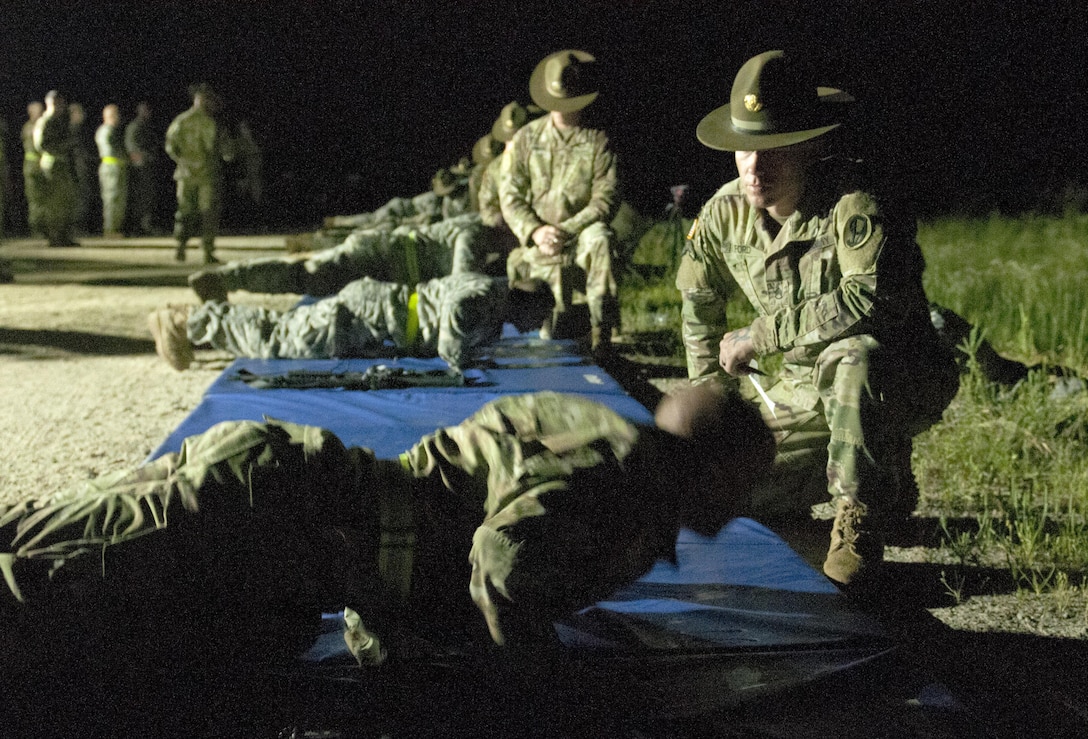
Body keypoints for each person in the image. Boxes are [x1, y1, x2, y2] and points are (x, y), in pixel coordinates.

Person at [0, 385, 774, 671]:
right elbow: (502, 561)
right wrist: (535, 688)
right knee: (38, 593)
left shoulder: (607, 436)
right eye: (740, 484)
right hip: (268, 519)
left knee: (43, 554)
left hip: (281, 507)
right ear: (708, 469)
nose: (740, 505)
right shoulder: (624, 487)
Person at [675, 50, 960, 587]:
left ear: (813, 144)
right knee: (719, 495)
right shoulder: (724, 212)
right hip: (804, 388)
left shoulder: (857, 206)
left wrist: (763, 334)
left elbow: (870, 301)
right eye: (744, 150)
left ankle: (861, 512)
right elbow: (698, 300)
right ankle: (878, 475)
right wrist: (712, 410)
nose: (754, 168)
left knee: (853, 355)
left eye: (774, 150)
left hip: (897, 375)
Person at [148, 272, 555, 372]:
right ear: (524, 301)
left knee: (283, 331)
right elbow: (456, 320)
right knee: (279, 340)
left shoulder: (493, 292)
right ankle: (187, 321)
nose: (528, 327)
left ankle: (197, 319)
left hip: (374, 314)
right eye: (532, 319)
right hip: (365, 317)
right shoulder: (486, 295)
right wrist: (460, 359)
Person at [500, 49, 620, 352]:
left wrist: (566, 230)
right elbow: (510, 194)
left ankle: (600, 336)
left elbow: (605, 198)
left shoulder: (598, 139)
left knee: (601, 240)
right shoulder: (526, 139)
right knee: (546, 334)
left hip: (579, 234)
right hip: (538, 237)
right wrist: (537, 231)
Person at [186, 212, 507, 303]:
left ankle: (227, 278)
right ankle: (225, 278)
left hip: (383, 258)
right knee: (307, 277)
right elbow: (461, 286)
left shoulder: (477, 230)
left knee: (308, 276)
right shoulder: (475, 233)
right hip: (380, 258)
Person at [165, 82, 234, 263]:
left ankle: (181, 248)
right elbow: (226, 151)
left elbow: (170, 147)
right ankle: (207, 251)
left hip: (186, 174)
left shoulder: (181, 120)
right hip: (207, 175)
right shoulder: (212, 123)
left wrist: (183, 161)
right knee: (208, 213)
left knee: (185, 212)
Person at [32, 90, 79, 247]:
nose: (61, 106)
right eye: (58, 103)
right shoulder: (45, 121)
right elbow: (42, 145)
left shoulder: (59, 121)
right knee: (55, 203)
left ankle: (64, 236)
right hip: (52, 164)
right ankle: (55, 237)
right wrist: (65, 145)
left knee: (65, 201)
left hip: (62, 164)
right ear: (51, 103)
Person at [124, 101, 158, 234]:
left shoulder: (146, 127)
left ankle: (145, 225)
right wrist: (144, 156)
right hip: (139, 168)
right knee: (140, 197)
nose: (148, 114)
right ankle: (137, 226)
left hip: (147, 166)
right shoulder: (135, 127)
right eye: (145, 111)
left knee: (147, 197)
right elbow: (132, 147)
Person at [94, 103, 127, 237]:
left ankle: (114, 228)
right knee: (112, 198)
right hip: (111, 167)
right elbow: (112, 150)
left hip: (116, 167)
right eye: (116, 115)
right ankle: (110, 229)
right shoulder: (106, 131)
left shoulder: (110, 130)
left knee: (118, 199)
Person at [67, 102, 94, 235]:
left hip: (81, 167)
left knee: (83, 197)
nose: (82, 116)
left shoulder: (80, 130)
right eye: (79, 113)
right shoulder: (70, 130)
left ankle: (79, 226)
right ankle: (74, 227)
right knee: (77, 198)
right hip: (75, 169)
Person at [21, 101, 44, 237]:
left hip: (42, 166)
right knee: (35, 199)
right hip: (32, 167)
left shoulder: (41, 125)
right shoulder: (30, 127)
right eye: (38, 111)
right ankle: (36, 229)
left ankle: (45, 228)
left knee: (45, 199)